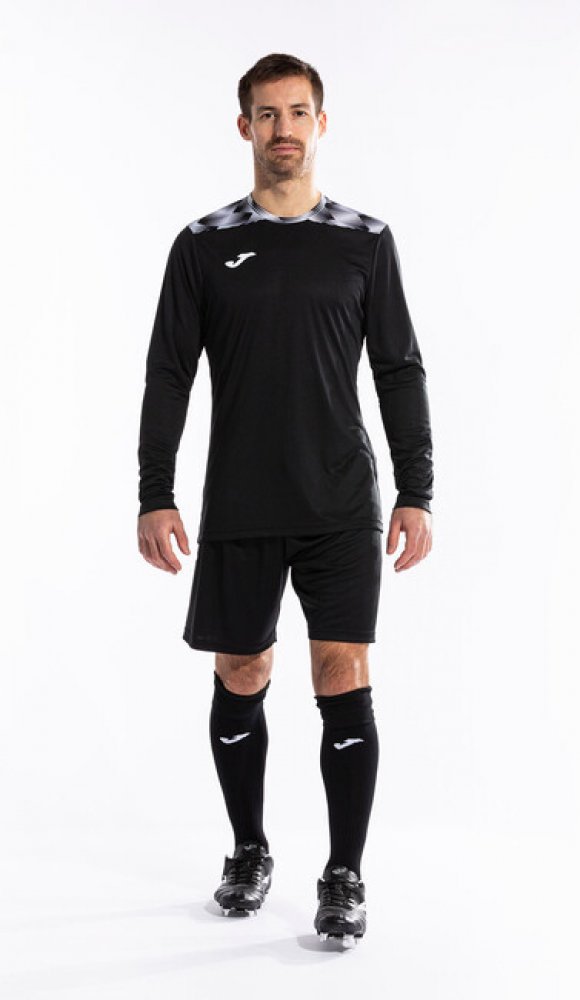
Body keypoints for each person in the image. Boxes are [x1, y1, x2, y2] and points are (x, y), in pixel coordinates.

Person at [137, 52, 434, 948]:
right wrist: (155, 492)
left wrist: (416, 489)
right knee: (242, 673)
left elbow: (399, 368)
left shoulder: (365, 240)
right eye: (267, 114)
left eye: (298, 112)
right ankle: (249, 849)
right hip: (240, 501)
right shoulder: (202, 244)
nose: (284, 129)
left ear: (321, 123)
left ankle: (344, 874)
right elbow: (168, 374)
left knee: (342, 672)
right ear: (245, 128)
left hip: (341, 500)